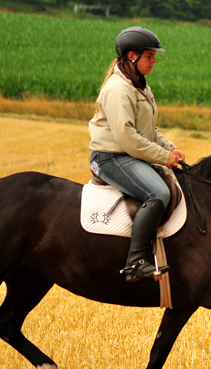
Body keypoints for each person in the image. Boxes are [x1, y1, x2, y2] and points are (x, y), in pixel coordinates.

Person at [88, 26, 186, 283]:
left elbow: (148, 131)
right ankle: (136, 262)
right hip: (111, 157)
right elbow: (127, 138)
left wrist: (170, 147)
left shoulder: (140, 85)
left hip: (128, 154)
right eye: (150, 56)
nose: (154, 61)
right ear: (132, 56)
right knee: (159, 193)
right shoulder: (119, 89)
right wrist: (164, 158)